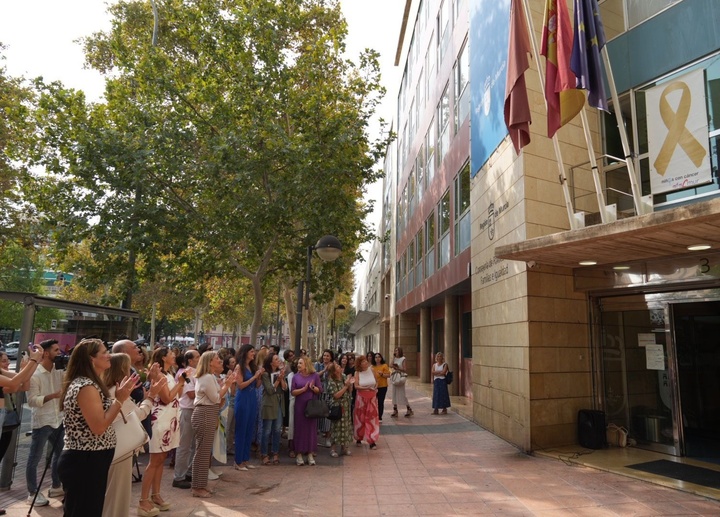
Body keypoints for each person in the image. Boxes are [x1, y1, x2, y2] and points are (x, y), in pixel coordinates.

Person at [57, 338, 137, 517]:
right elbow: (99, 426)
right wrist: (119, 399)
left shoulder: (90, 383)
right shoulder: (86, 386)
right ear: (91, 359)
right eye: (104, 353)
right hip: (84, 461)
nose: (109, 355)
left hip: (91, 460)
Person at [102, 355, 164, 517]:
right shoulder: (117, 391)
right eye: (128, 368)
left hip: (112, 447)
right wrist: (151, 396)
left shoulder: (106, 389)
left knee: (112, 494)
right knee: (118, 496)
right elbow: (139, 414)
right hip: (120, 450)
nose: (132, 372)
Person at [138, 347, 186, 516]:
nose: (175, 356)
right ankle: (143, 500)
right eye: (172, 354)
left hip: (170, 420)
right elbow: (166, 398)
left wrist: (178, 383)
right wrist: (180, 383)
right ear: (164, 357)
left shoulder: (169, 373)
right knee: (155, 460)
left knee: (161, 459)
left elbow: (175, 396)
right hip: (160, 420)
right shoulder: (159, 375)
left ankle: (156, 495)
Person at [25, 339, 65, 507]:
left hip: (58, 419)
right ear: (46, 353)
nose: (59, 353)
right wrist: (53, 396)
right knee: (34, 458)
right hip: (42, 422)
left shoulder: (59, 371)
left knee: (60, 454)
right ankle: (32, 493)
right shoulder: (34, 374)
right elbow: (32, 401)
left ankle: (56, 486)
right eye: (56, 350)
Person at [191, 351, 235, 498]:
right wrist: (227, 384)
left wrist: (224, 385)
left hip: (208, 412)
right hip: (204, 413)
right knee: (202, 452)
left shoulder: (209, 377)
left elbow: (218, 398)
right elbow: (216, 398)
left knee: (203, 451)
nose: (220, 361)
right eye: (217, 359)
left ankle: (201, 484)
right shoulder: (207, 377)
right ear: (209, 362)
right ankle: (197, 487)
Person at [0, 350, 37, 516]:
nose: (7, 364)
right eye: (4, 361)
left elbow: (25, 385)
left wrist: (28, 366)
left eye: (8, 360)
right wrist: (33, 362)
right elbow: (15, 384)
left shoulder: (2, 372)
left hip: (5, 422)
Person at [233, 344, 264, 470]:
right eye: (251, 351)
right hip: (243, 399)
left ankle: (245, 459)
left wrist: (259, 376)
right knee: (241, 430)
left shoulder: (252, 366)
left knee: (249, 430)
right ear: (245, 352)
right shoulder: (239, 367)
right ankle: (238, 461)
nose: (253, 354)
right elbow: (240, 385)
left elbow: (257, 386)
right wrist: (254, 378)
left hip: (252, 399)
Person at [172, 349, 200, 488]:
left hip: (194, 410)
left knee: (193, 445)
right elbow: (190, 393)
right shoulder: (186, 373)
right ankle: (179, 476)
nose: (200, 358)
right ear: (190, 360)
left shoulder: (197, 372)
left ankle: (188, 471)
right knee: (184, 446)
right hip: (187, 410)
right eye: (197, 357)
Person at [290, 357, 322, 466]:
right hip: (299, 406)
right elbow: (293, 392)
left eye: (300, 363)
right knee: (299, 429)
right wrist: (303, 390)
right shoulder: (295, 377)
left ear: (306, 364)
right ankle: (298, 453)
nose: (298, 365)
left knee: (311, 429)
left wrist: (312, 387)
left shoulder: (315, 376)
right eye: (298, 363)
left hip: (311, 406)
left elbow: (320, 390)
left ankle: (310, 453)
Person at [260, 352, 286, 465]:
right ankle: (264, 454)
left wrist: (282, 378)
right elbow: (270, 390)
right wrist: (277, 380)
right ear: (271, 362)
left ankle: (275, 452)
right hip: (269, 403)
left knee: (277, 429)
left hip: (279, 403)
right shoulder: (265, 374)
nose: (278, 360)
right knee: (267, 430)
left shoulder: (280, 372)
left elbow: (285, 388)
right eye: (276, 359)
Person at [325, 363, 353, 457]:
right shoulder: (331, 381)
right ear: (334, 371)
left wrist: (349, 384)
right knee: (336, 426)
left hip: (346, 404)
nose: (340, 367)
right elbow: (336, 395)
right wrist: (345, 386)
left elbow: (350, 391)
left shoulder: (344, 376)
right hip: (337, 406)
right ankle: (333, 449)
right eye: (337, 367)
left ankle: (344, 447)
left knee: (345, 426)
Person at [353, 355, 380, 449]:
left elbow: (377, 381)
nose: (365, 363)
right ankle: (358, 437)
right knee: (360, 418)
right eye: (362, 362)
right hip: (361, 398)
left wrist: (375, 387)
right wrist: (366, 388)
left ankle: (372, 440)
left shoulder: (372, 370)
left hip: (372, 397)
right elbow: (356, 386)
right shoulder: (357, 373)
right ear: (359, 364)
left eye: (365, 361)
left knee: (372, 418)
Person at [390, 347, 413, 417]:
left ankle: (409, 408)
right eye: (395, 350)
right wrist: (393, 358)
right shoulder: (394, 358)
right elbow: (390, 365)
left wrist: (397, 368)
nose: (396, 352)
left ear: (400, 351)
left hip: (400, 377)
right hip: (395, 377)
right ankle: (395, 409)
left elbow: (405, 369)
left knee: (402, 394)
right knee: (394, 393)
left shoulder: (403, 359)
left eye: (397, 350)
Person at [372, 353, 391, 421]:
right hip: (374, 387)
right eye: (376, 357)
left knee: (380, 401)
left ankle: (380, 416)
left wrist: (382, 374)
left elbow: (388, 375)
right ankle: (373, 415)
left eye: (379, 357)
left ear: (381, 358)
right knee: (373, 402)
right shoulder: (372, 367)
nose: (377, 359)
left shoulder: (384, 365)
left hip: (383, 386)